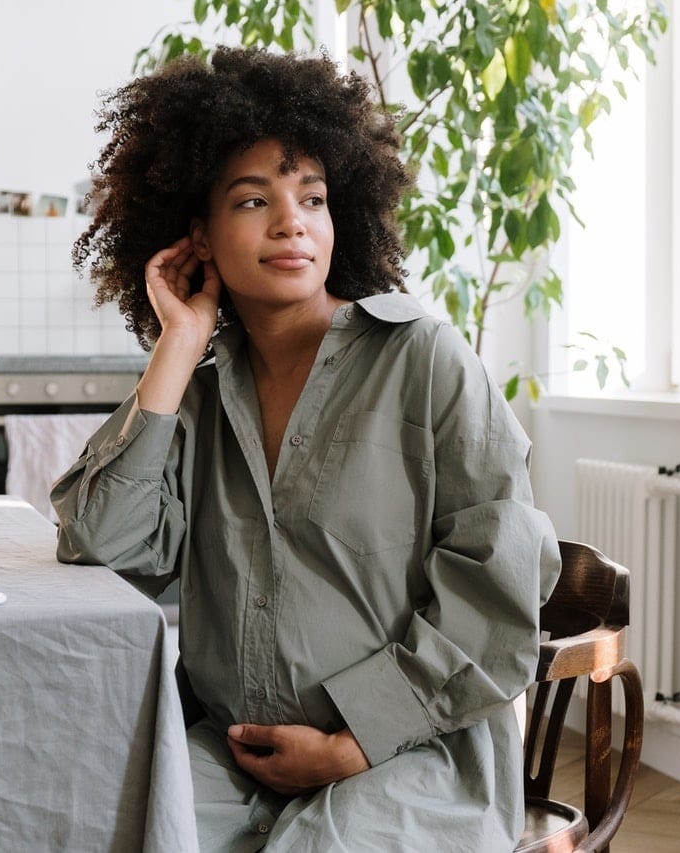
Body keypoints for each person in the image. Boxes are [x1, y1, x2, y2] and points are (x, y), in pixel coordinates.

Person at [51, 47, 560, 852]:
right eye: (254, 200)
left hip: (411, 753)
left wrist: (356, 740)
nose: (291, 221)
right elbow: (102, 542)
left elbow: (498, 586)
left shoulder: (424, 359)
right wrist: (177, 346)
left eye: (313, 198)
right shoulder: (202, 390)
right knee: (94, 829)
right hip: (233, 752)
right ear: (200, 237)